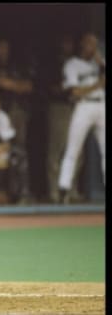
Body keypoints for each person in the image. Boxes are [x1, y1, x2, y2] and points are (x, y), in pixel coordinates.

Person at [58, 32, 105, 204]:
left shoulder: (99, 64)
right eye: (90, 44)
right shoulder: (72, 64)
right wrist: (97, 85)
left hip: (102, 105)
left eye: (95, 44)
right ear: (82, 45)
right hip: (83, 106)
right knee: (73, 149)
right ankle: (64, 189)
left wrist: (100, 64)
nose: (94, 47)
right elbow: (74, 92)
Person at [42, 35, 84, 203]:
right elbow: (50, 88)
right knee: (56, 151)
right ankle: (54, 191)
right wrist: (70, 90)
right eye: (65, 42)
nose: (68, 45)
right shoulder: (53, 64)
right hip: (59, 108)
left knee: (78, 152)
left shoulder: (78, 63)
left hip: (78, 108)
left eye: (70, 43)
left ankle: (71, 190)